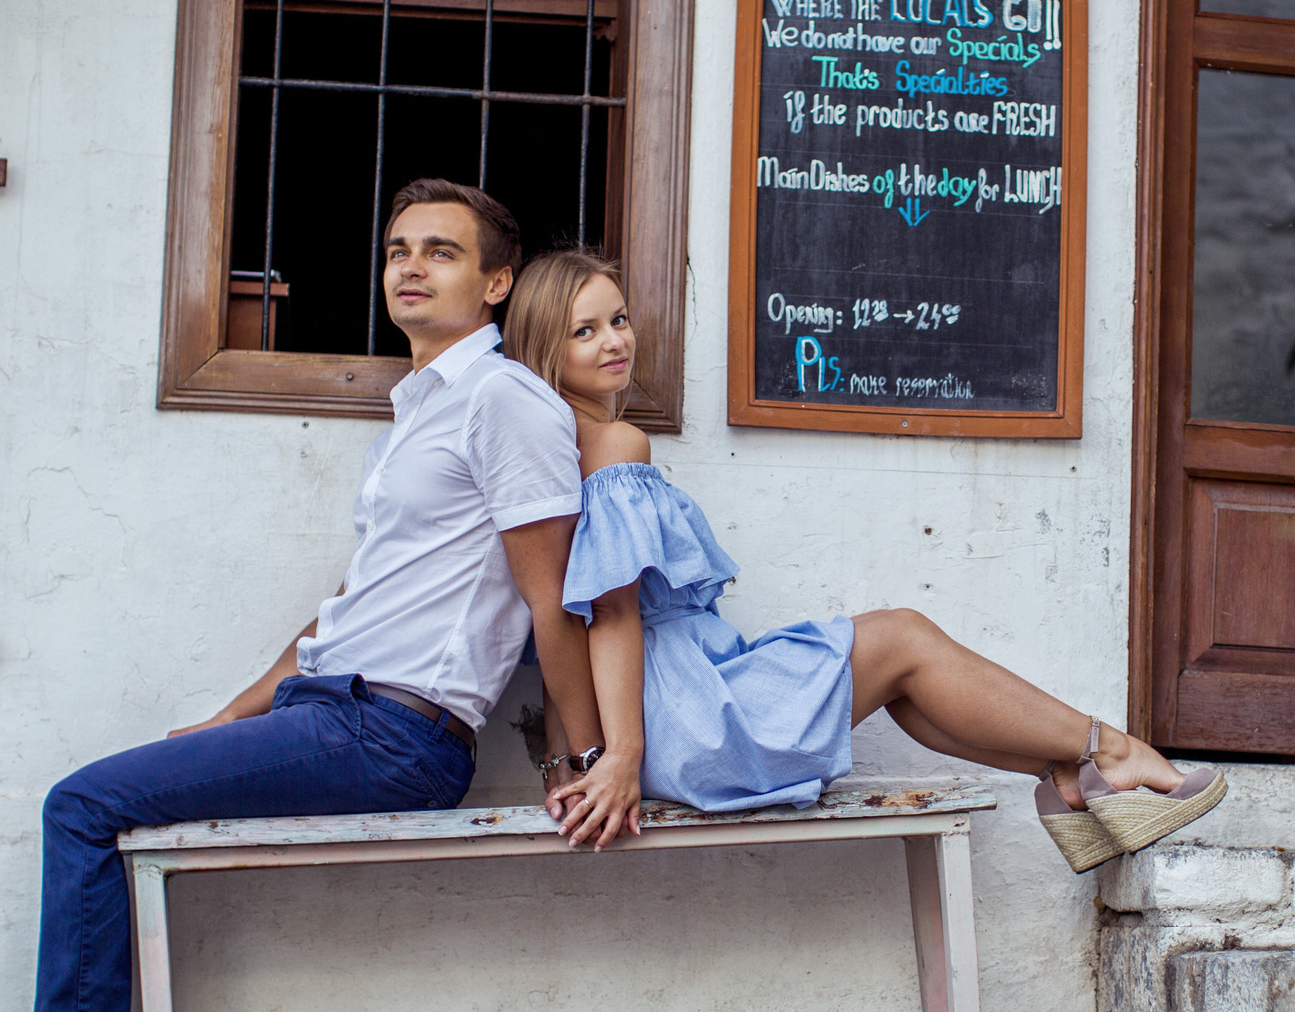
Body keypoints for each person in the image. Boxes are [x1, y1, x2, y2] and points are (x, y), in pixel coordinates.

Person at [0, 181, 605, 1012]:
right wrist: (235, 716)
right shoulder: (419, 411)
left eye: (442, 252)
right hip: (330, 710)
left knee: (82, 803)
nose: (410, 267)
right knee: (105, 799)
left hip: (394, 733)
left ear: (497, 282)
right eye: (396, 250)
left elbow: (552, 598)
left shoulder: (504, 400)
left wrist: (584, 759)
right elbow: (350, 605)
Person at [510, 250, 1224, 866]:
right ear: (546, 350)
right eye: (585, 331)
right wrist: (619, 759)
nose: (615, 341)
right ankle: (1108, 750)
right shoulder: (615, 446)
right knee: (903, 638)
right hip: (678, 715)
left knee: (896, 673)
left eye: (620, 318)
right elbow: (607, 614)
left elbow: (562, 621)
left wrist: (568, 759)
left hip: (661, 708)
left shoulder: (553, 455)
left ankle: (1071, 771)